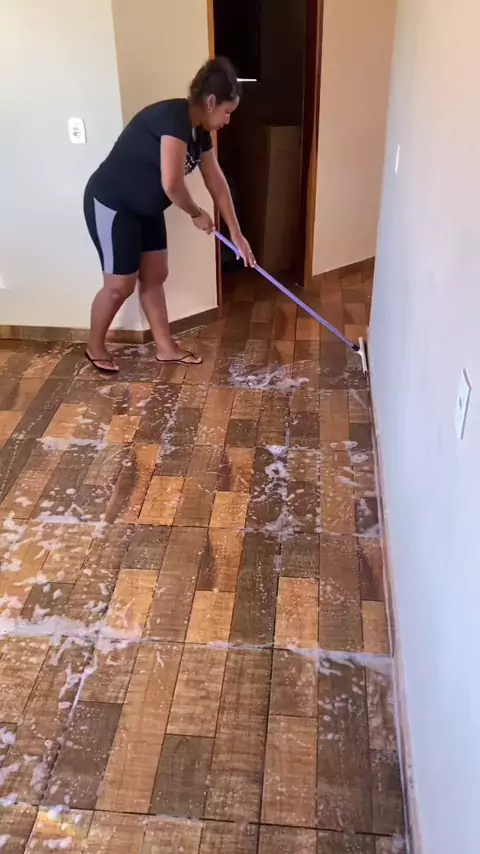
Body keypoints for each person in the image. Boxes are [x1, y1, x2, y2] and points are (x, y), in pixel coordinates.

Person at [83, 57, 255, 373]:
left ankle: (166, 348)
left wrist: (237, 233)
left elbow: (216, 182)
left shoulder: (200, 133)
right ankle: (94, 346)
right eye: (227, 111)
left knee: (155, 275)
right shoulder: (173, 117)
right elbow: (172, 183)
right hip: (113, 204)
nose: (228, 120)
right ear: (211, 102)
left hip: (147, 208)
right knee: (120, 285)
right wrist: (196, 213)